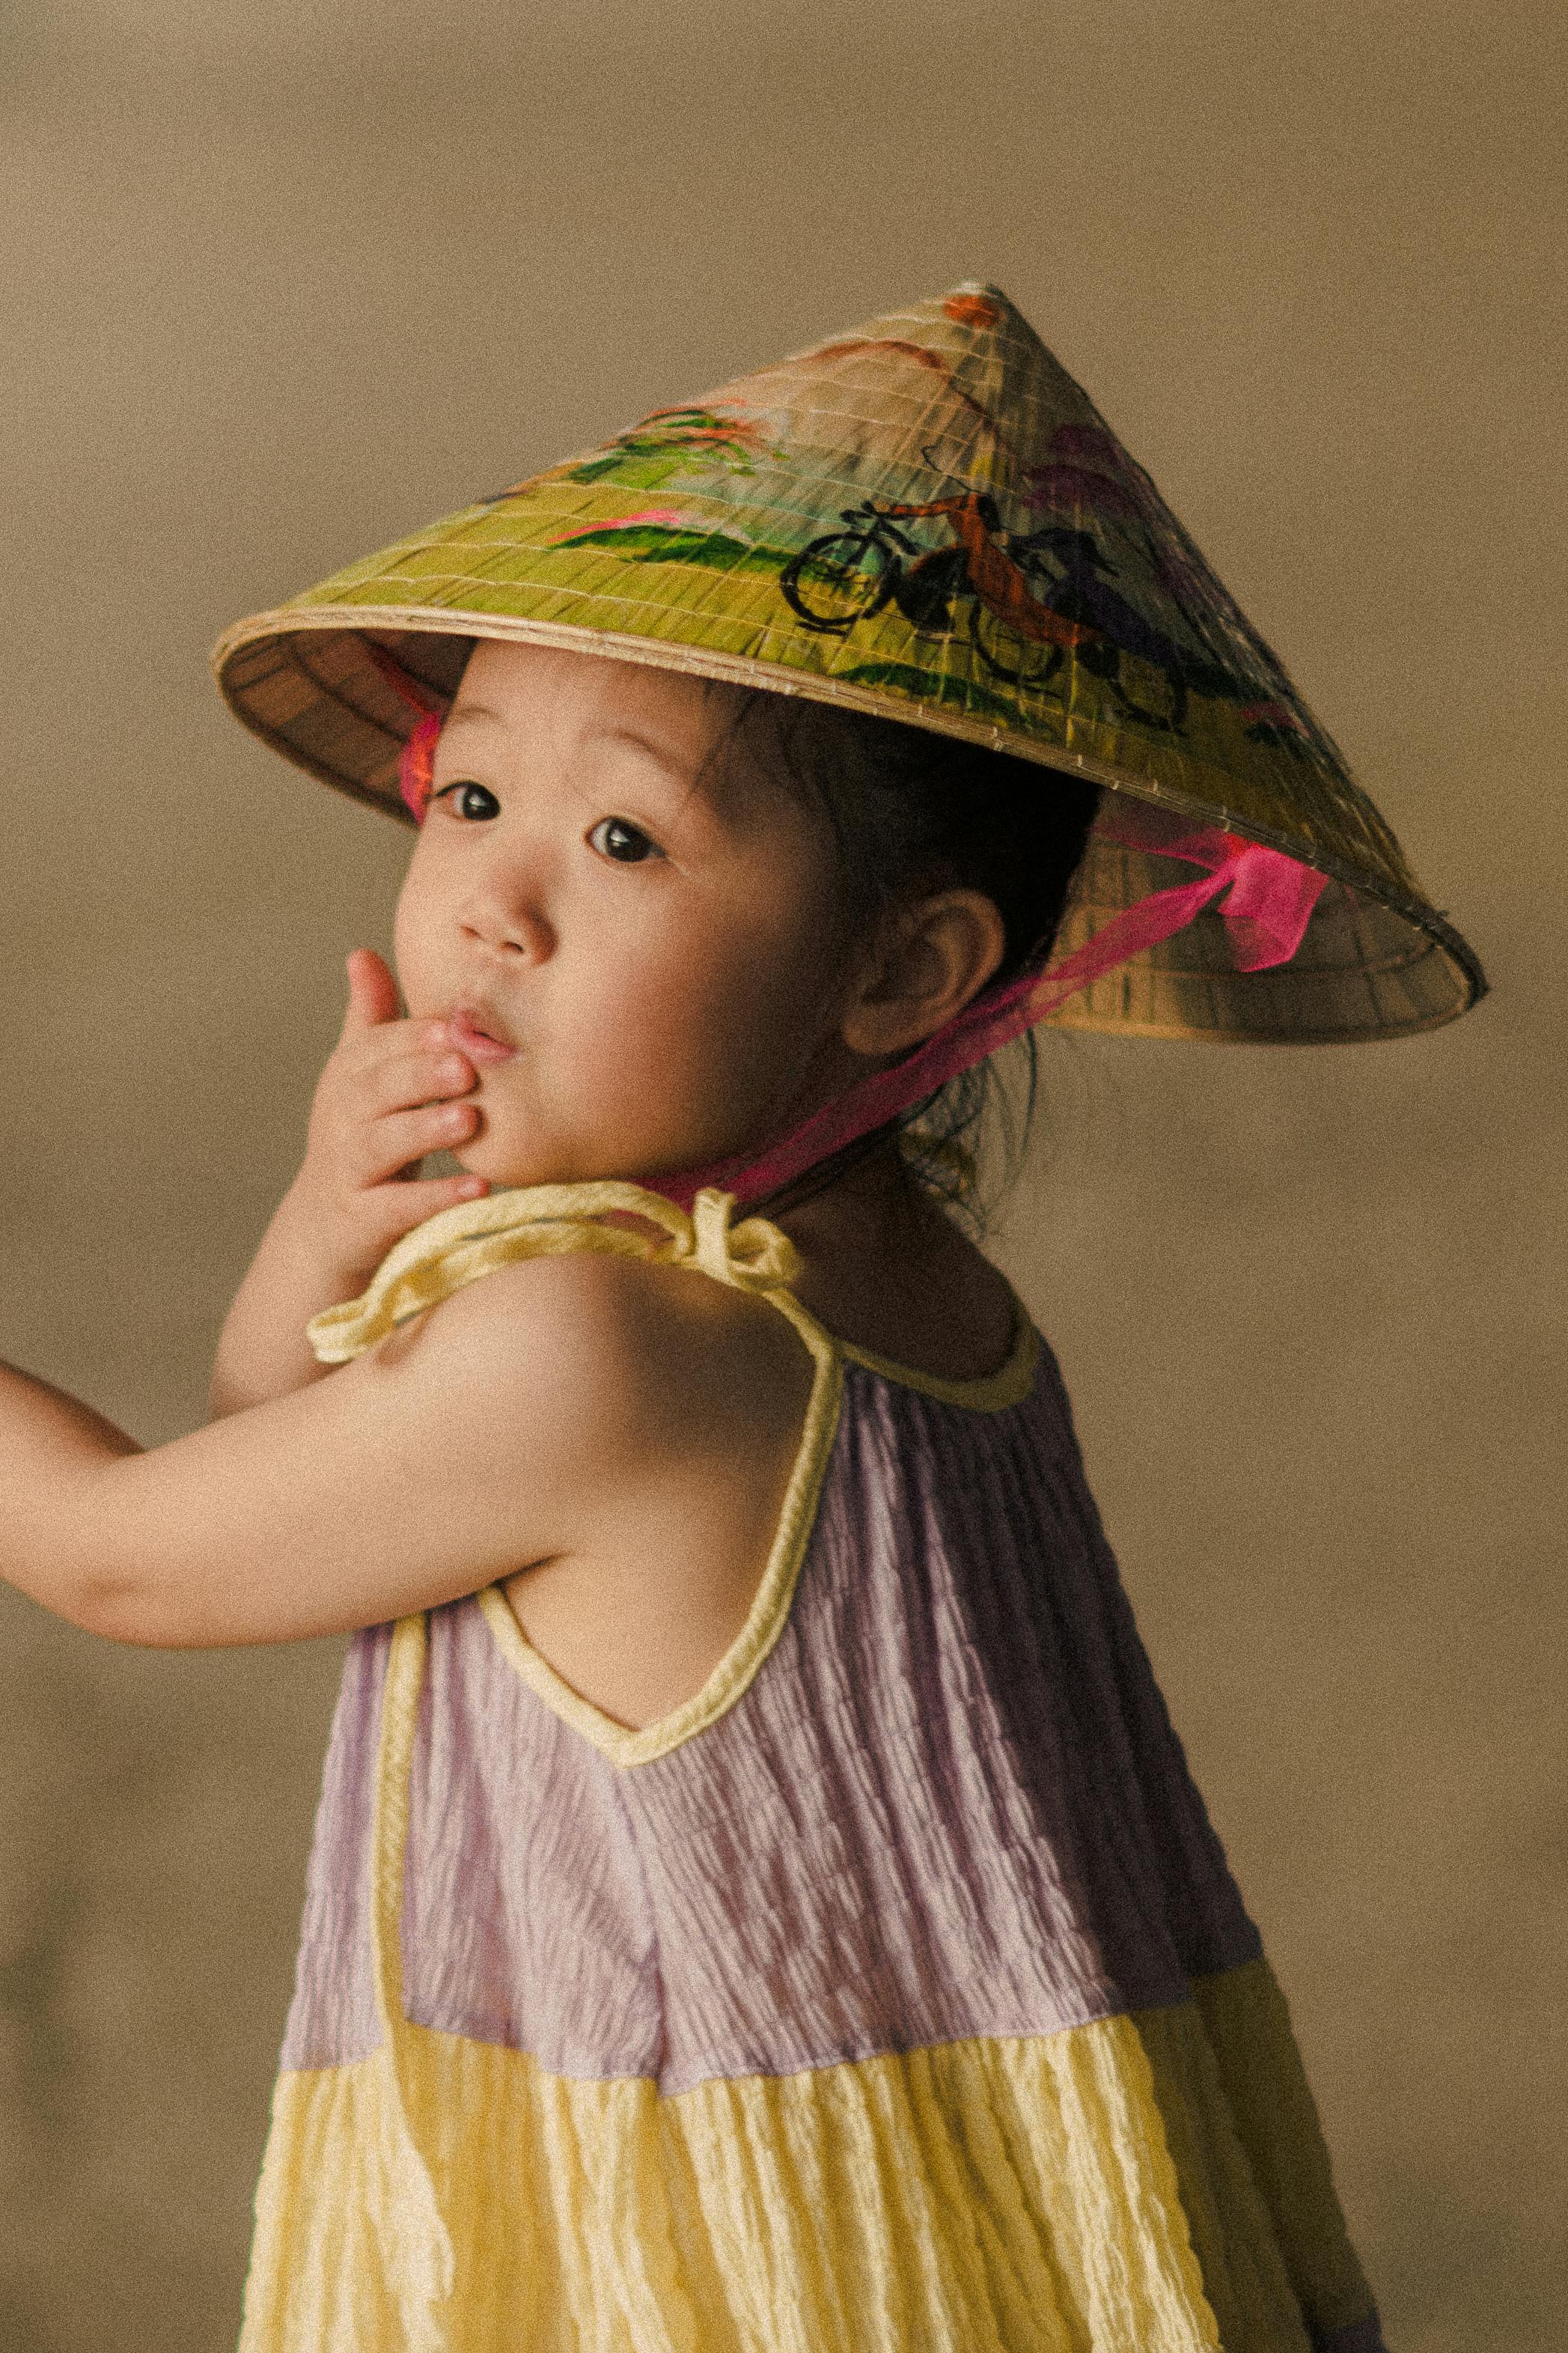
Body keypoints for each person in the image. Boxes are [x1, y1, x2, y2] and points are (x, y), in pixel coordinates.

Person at [1, 284, 1486, 2352]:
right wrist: (334, 1214)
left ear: (901, 979)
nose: (497, 901)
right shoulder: (892, 1289)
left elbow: (128, 1555)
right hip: (956, 2220)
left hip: (711, 2266)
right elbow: (283, 1438)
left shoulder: (606, 1351)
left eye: (622, 838)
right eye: (470, 799)